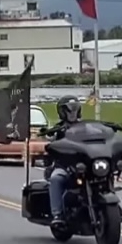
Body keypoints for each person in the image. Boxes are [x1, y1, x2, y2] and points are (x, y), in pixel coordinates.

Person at [45, 95, 82, 227]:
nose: (72, 113)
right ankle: (57, 214)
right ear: (62, 112)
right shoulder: (58, 129)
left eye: (75, 109)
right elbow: (50, 144)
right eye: (69, 110)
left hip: (84, 166)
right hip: (65, 166)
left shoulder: (85, 127)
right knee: (55, 178)